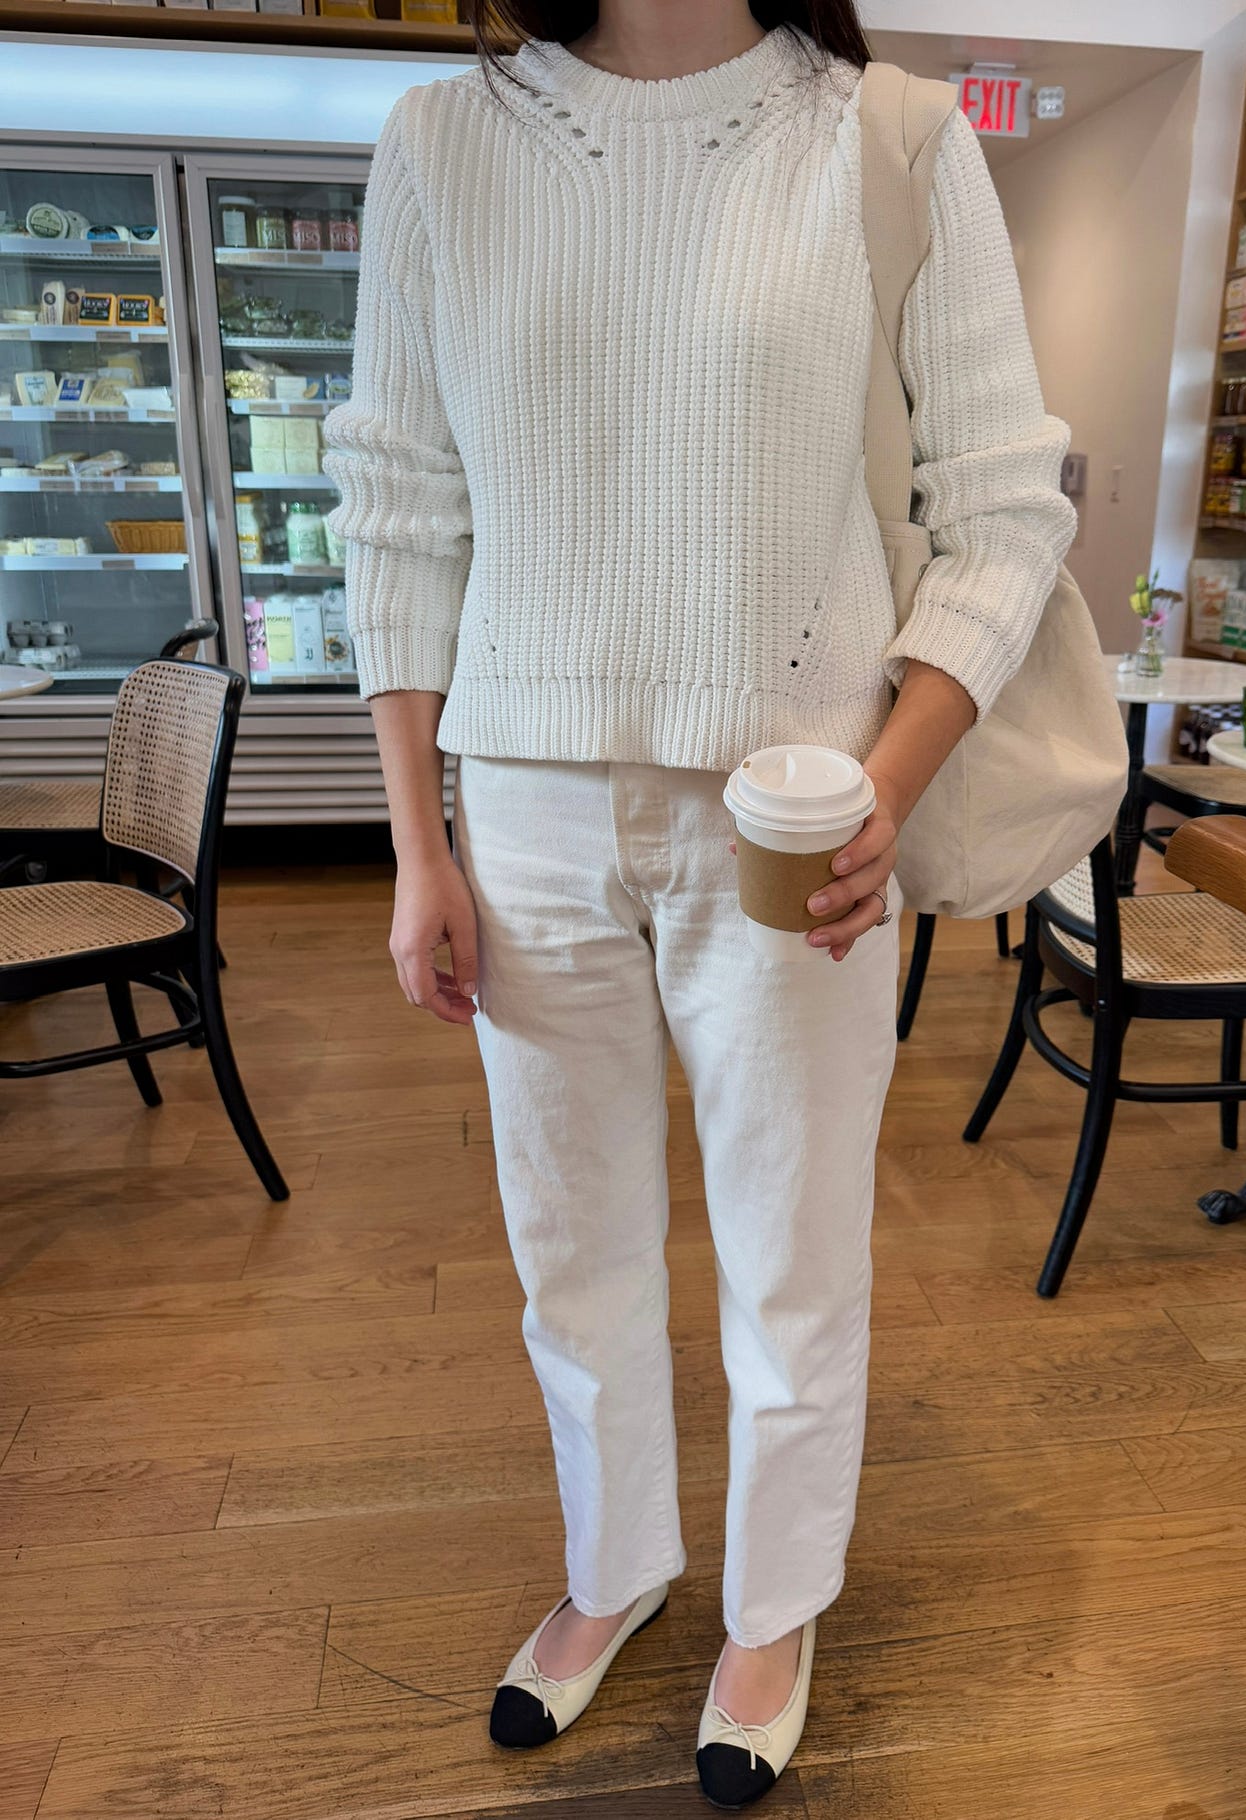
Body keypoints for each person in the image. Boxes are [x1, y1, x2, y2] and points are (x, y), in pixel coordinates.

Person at [323, 0, 1074, 1805]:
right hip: (520, 804)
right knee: (566, 1242)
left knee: (793, 1248)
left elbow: (1003, 504)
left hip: (796, 806)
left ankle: (775, 1606)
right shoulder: (441, 143)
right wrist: (419, 842)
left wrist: (889, 784)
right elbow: (401, 501)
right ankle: (618, 1564)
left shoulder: (888, 137)